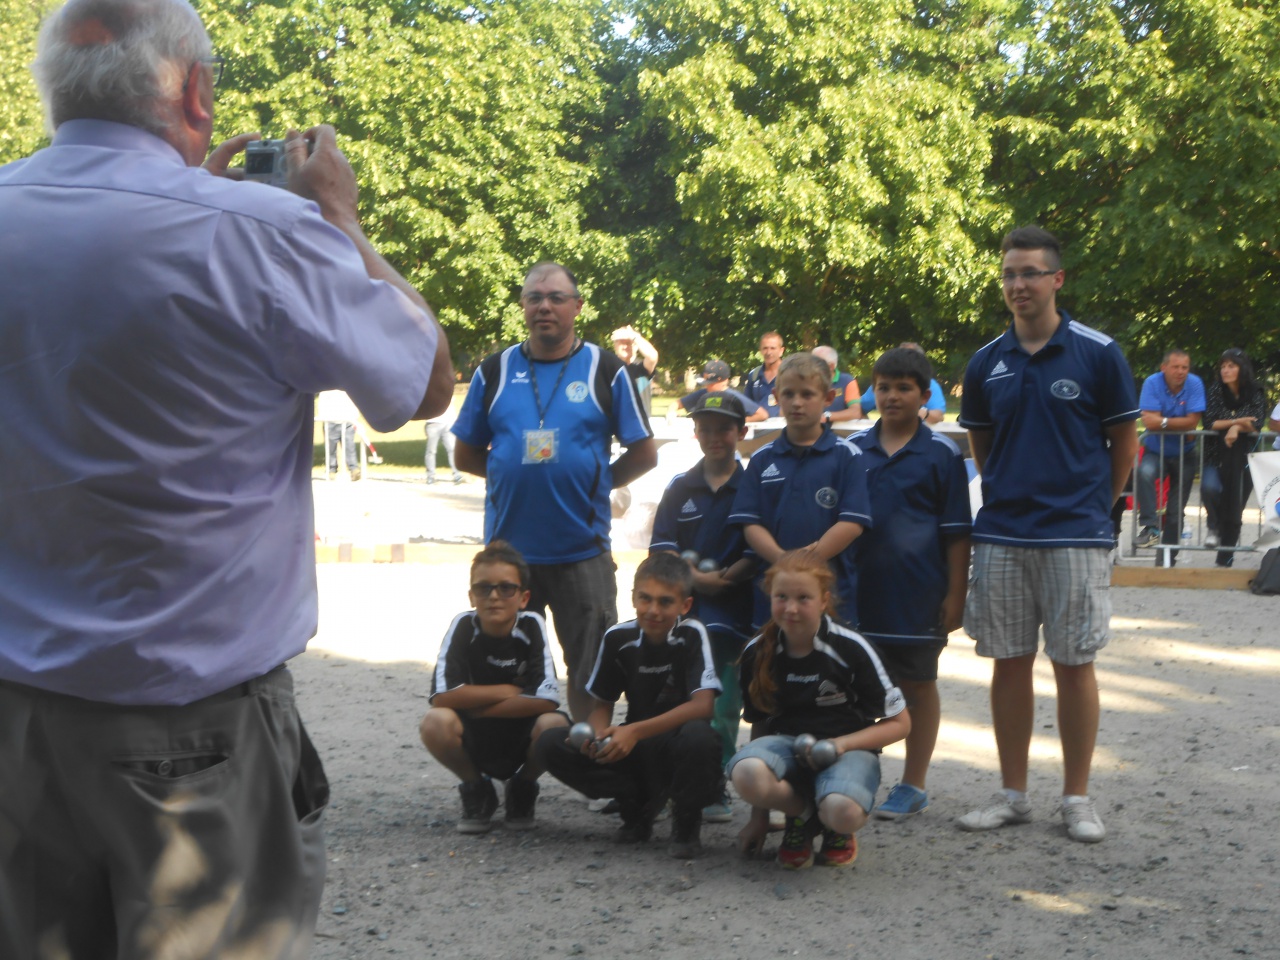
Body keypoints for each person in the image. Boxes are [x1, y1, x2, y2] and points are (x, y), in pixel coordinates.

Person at [0, 0, 454, 955]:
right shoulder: (263, 234)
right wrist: (340, 219)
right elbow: (423, 385)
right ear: (195, 91)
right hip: (196, 735)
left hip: (20, 724)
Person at [957, 226, 1138, 843]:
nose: (1018, 284)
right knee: (1008, 664)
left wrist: (1095, 508)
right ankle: (1013, 795)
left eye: (1031, 272)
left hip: (1074, 536)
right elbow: (983, 448)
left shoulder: (1098, 353)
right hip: (1004, 534)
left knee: (1074, 663)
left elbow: (1125, 445)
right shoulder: (986, 362)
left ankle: (1077, 798)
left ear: (1057, 279)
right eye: (1010, 274)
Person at [452, 263, 657, 721]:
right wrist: (509, 474)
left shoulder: (606, 370)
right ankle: (518, 757)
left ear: (577, 307)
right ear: (523, 306)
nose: (544, 307)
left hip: (581, 550)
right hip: (509, 554)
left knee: (590, 670)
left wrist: (595, 483)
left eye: (556, 298)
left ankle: (587, 751)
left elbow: (644, 453)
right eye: (534, 298)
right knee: (505, 670)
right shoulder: (494, 370)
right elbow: (465, 455)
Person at [849, 347, 972, 820]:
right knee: (854, 690)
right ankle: (852, 780)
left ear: (925, 395)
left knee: (918, 686)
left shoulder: (942, 454)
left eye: (904, 388)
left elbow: (957, 534)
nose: (892, 396)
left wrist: (956, 595)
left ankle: (913, 784)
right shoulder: (852, 450)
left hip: (917, 596)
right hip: (858, 596)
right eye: (883, 387)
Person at [535, 553, 722, 858]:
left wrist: (633, 732)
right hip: (634, 747)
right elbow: (602, 705)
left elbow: (703, 707)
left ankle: (686, 820)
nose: (653, 610)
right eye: (645, 598)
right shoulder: (618, 637)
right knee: (549, 743)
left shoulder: (692, 633)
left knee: (699, 736)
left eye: (665, 602)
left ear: (685, 605)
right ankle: (635, 806)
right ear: (633, 597)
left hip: (675, 745)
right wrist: (596, 739)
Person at [730, 552, 909, 869]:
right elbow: (760, 723)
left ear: (824, 600)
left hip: (848, 749)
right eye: (781, 597)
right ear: (770, 597)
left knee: (842, 811)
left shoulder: (852, 648)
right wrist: (759, 817)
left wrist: (841, 744)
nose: (791, 608)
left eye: (804, 598)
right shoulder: (757, 651)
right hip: (789, 748)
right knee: (746, 772)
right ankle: (802, 816)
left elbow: (900, 724)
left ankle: (834, 825)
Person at [650, 391, 756, 822]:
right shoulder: (680, 487)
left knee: (724, 705)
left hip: (733, 617)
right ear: (694, 433)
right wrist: (694, 579)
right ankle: (671, 779)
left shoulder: (752, 486)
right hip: (685, 616)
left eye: (724, 428)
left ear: (741, 432)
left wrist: (726, 578)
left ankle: (713, 783)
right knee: (676, 698)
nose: (715, 436)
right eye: (706, 428)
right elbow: (662, 545)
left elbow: (759, 546)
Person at [420, 541, 567, 833]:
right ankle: (477, 788)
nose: (494, 596)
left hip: (521, 731)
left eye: (506, 588)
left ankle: (523, 787)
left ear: (524, 597)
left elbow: (547, 699)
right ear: (471, 596)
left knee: (554, 726)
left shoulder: (532, 625)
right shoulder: (463, 625)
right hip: (476, 735)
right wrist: (508, 691)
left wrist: (475, 708)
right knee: (435, 722)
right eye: (483, 588)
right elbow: (442, 696)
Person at [729, 352, 872, 628]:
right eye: (789, 393)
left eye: (807, 394)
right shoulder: (762, 458)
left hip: (832, 599)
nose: (797, 402)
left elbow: (853, 523)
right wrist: (783, 560)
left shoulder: (847, 456)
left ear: (828, 398)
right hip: (772, 600)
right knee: (771, 654)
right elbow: (749, 523)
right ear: (776, 396)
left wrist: (806, 560)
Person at [1134, 349, 1205, 556]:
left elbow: (1192, 422)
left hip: (1185, 453)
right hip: (1156, 450)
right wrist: (1179, 423)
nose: (1180, 371)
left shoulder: (1195, 383)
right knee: (1144, 473)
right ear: (1163, 367)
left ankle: (1168, 559)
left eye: (1184, 367)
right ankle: (1151, 526)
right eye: (1175, 367)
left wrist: (1163, 421)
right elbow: (1149, 422)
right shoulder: (1152, 382)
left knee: (1175, 510)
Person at [1200, 348, 1267, 567]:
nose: (1225, 370)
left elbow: (1256, 422)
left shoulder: (1255, 391)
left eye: (1231, 366)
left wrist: (1235, 427)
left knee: (1235, 507)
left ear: (1242, 368)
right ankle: (1214, 526)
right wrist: (1238, 422)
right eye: (1223, 366)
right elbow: (1210, 422)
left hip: (1244, 458)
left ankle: (1225, 559)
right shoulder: (1216, 390)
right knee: (1209, 488)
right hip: (1215, 455)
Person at [859, 342, 948, 424]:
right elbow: (858, 408)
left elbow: (938, 416)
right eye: (884, 389)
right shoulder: (881, 383)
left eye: (904, 389)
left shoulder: (930, 384)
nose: (892, 396)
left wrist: (923, 414)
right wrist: (868, 427)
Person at [668, 359, 768, 422]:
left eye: (711, 383)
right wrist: (671, 411)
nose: (707, 386)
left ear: (724, 381)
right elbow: (677, 403)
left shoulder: (733, 397)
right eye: (706, 383)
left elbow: (762, 415)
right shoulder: (703, 394)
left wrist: (737, 421)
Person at [611, 325, 659, 416]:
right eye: (621, 343)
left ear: (637, 346)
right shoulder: (609, 367)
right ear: (615, 346)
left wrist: (634, 336)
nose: (625, 346)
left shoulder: (641, 367)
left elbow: (653, 356)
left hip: (639, 421)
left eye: (629, 343)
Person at [812, 345, 864, 422]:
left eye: (816, 363)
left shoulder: (847, 381)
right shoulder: (806, 381)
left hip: (837, 429)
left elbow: (855, 412)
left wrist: (826, 416)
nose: (810, 366)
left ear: (831, 366)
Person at [742, 331, 786, 418]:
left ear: (781, 351)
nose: (768, 352)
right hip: (758, 425)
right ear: (760, 350)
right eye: (765, 348)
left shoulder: (791, 373)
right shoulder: (754, 375)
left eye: (773, 348)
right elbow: (747, 404)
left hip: (784, 424)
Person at [425, 410, 464, 485]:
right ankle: (430, 476)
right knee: (431, 451)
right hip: (433, 423)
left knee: (452, 449)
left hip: (447, 422)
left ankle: (457, 474)